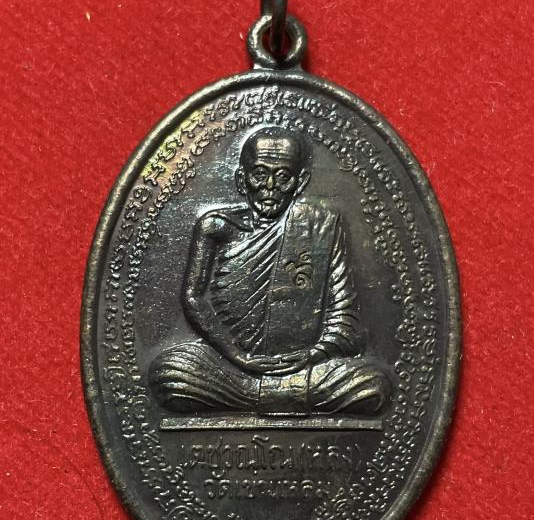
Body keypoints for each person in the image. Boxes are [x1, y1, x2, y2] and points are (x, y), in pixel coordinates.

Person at [149, 127, 390, 416]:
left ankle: (257, 396)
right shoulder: (216, 227)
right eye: (260, 174)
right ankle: (277, 395)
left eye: (283, 176)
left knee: (372, 385)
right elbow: (193, 298)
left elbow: (345, 316)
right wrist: (239, 357)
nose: (270, 186)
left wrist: (311, 356)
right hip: (234, 367)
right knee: (170, 375)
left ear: (300, 183)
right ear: (242, 179)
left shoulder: (321, 225)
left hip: (303, 369)